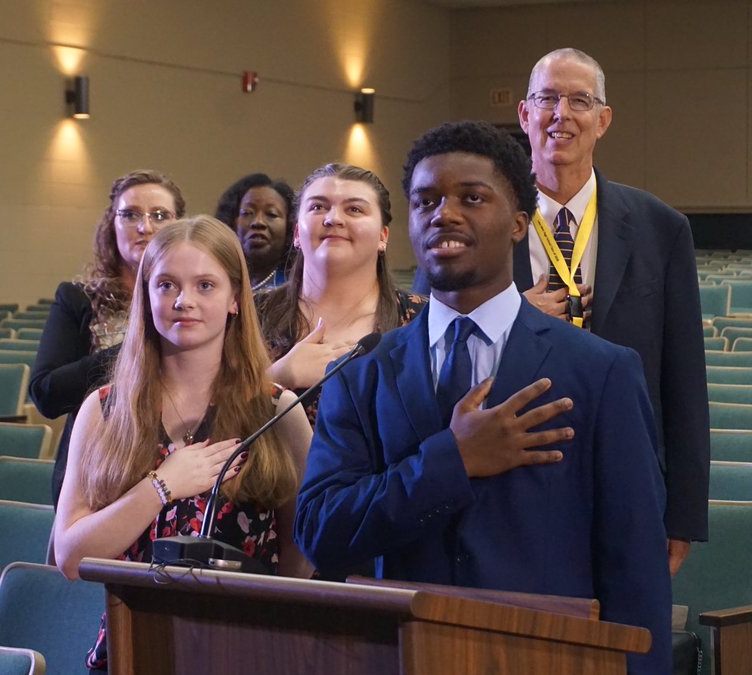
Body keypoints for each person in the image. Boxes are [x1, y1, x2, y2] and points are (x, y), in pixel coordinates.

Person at [295, 121, 671, 675]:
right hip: (398, 655)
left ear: (520, 223)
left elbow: (635, 564)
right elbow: (322, 533)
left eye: (471, 198)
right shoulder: (362, 372)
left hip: (546, 657)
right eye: (425, 201)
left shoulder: (601, 371)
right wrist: (452, 461)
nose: (443, 214)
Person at [53, 216, 313, 673]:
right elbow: (71, 557)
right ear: (147, 295)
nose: (183, 301)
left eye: (205, 285)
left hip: (248, 650)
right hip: (132, 646)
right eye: (167, 284)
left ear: (235, 299)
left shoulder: (275, 411)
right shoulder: (103, 409)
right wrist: (160, 487)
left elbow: (304, 550)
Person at [482, 47, 707, 573]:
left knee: (621, 642)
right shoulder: (478, 221)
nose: (562, 114)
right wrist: (511, 314)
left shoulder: (661, 228)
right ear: (524, 114)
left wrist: (685, 515)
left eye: (579, 100)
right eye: (547, 99)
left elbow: (684, 382)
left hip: (625, 476)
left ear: (602, 120)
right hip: (506, 474)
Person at [30, 170, 185, 507]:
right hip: (99, 468)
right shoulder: (77, 298)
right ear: (111, 224)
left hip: (182, 467)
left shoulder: (196, 303)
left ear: (179, 226)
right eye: (130, 215)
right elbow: (46, 393)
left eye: (160, 215)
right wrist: (135, 346)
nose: (145, 227)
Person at [256, 163, 425, 424]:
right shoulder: (248, 313)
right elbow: (203, 416)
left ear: (383, 236)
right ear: (297, 233)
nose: (333, 218)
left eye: (354, 209)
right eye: (317, 207)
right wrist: (278, 376)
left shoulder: (423, 319)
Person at [214, 173, 296, 292]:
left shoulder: (297, 288)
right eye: (247, 213)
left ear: (290, 226)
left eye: (271, 214)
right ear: (232, 222)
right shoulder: (214, 279)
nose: (258, 222)